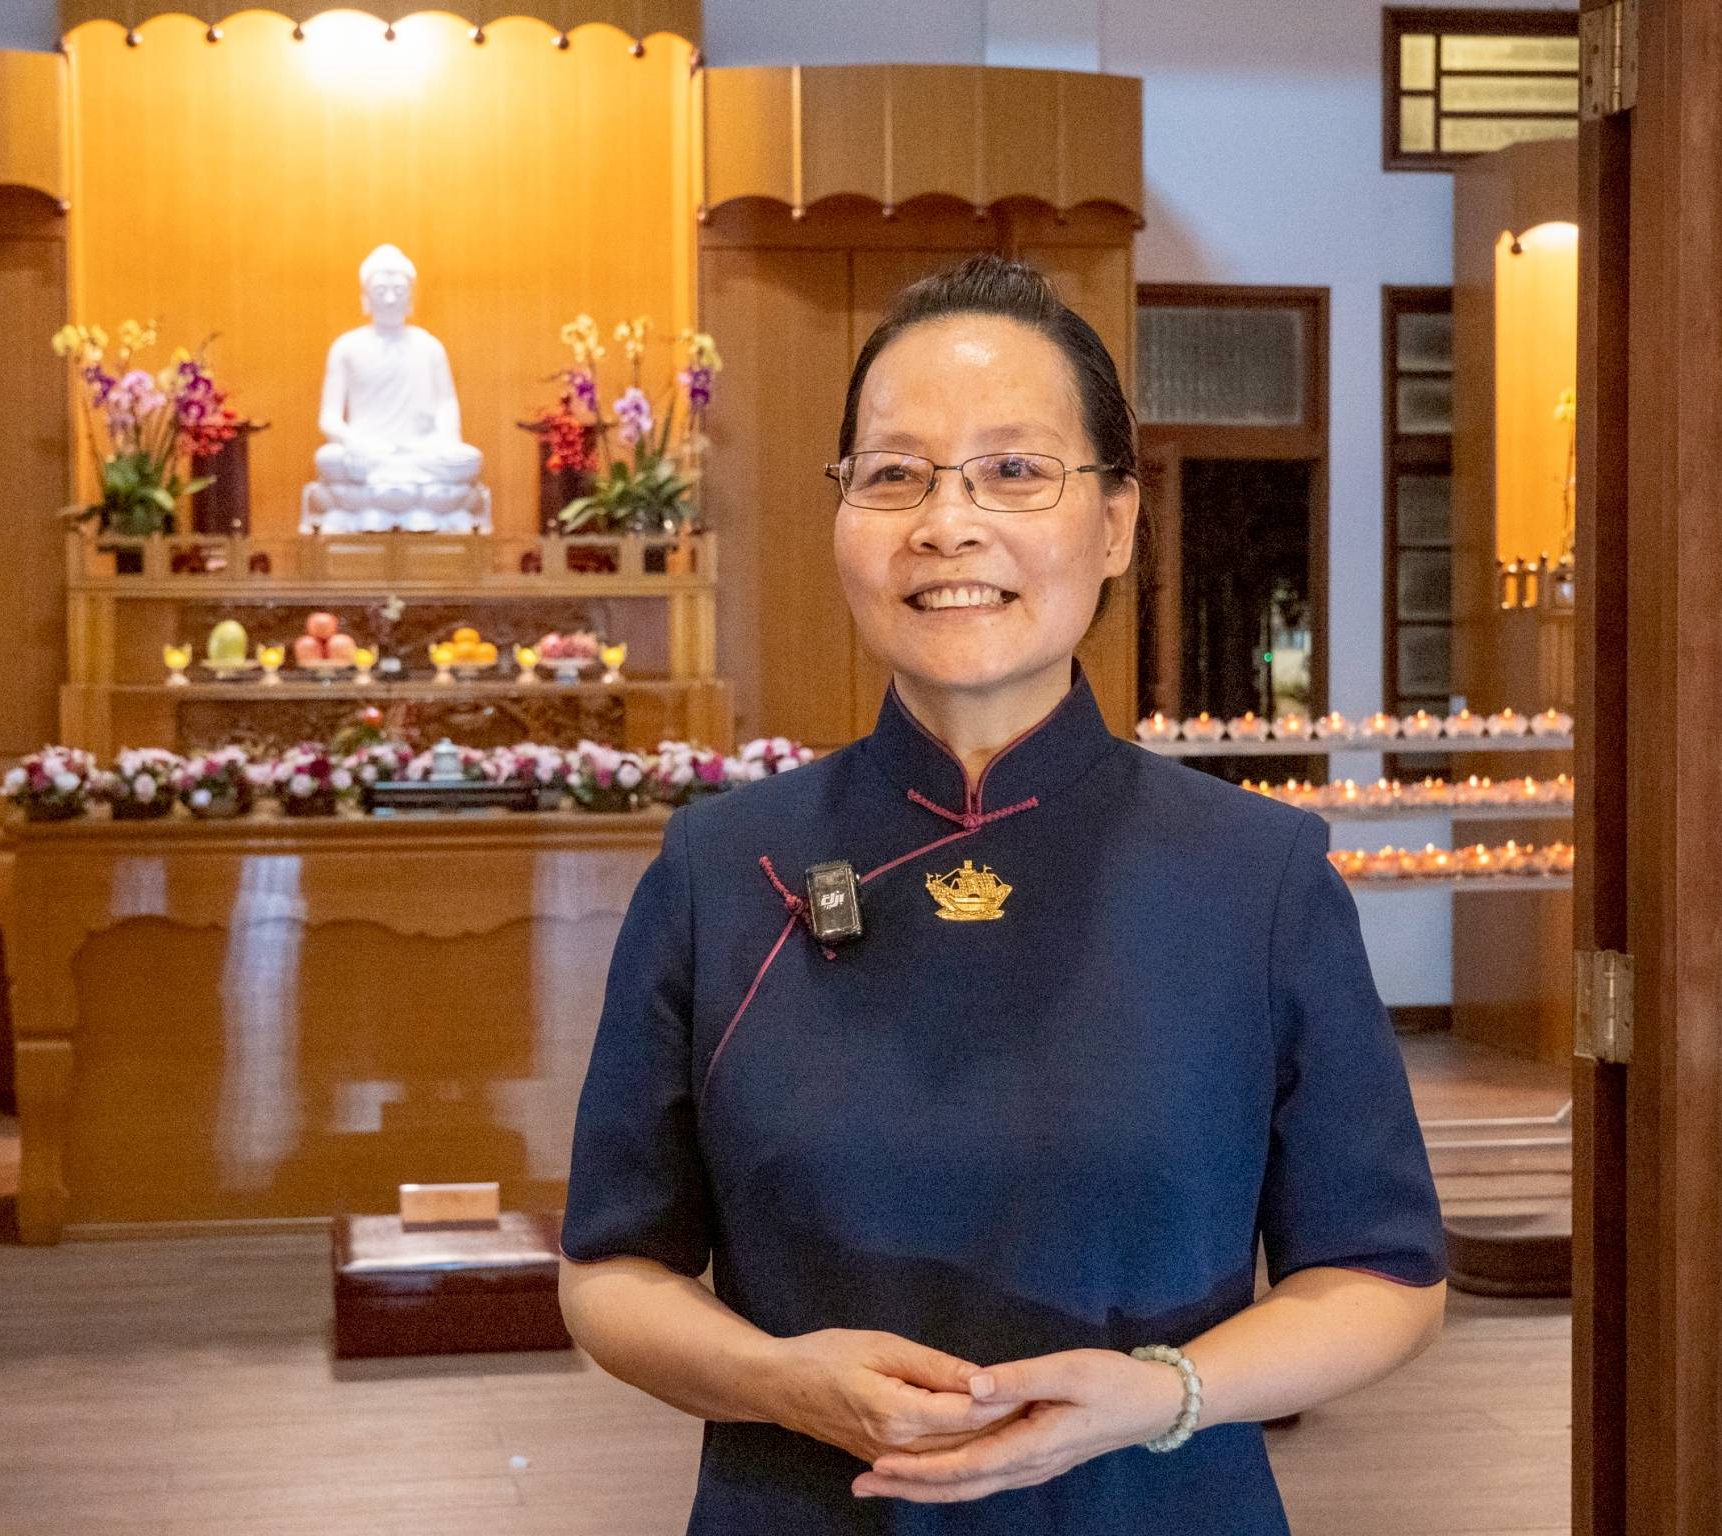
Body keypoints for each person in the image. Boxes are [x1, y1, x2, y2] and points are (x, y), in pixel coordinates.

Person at [557, 253, 1447, 1533]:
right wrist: (775, 1381)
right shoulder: (720, 869)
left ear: (1116, 523)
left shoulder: (1256, 875)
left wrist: (1164, 1393)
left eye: (1013, 470)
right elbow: (611, 1270)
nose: (945, 524)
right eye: (894, 475)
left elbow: (1380, 1275)